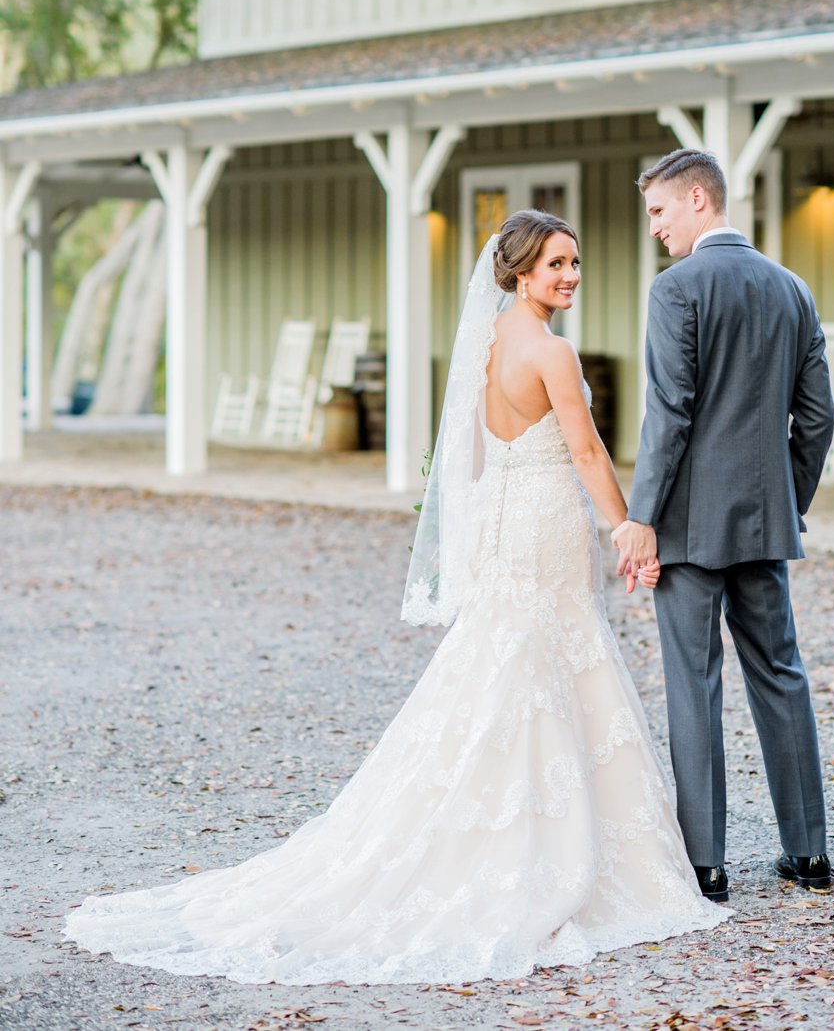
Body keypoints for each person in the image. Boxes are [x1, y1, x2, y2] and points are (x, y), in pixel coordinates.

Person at [64, 210, 728, 986]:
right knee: (550, 664)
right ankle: (539, 845)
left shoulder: (485, 346)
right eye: (555, 264)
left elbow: (474, 452)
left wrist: (482, 533)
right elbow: (585, 449)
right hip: (545, 522)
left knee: (512, 666)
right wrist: (627, 528)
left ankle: (497, 819)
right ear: (518, 274)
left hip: (507, 522)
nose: (570, 276)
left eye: (575, 263)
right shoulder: (550, 350)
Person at [612, 150, 834, 905]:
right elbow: (818, 418)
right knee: (782, 674)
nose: (655, 228)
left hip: (688, 527)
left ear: (698, 198)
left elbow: (669, 413)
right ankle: (810, 855)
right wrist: (786, 501)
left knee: (693, 682)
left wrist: (643, 515)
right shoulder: (793, 290)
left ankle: (707, 866)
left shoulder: (677, 289)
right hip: (764, 523)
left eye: (660, 211)